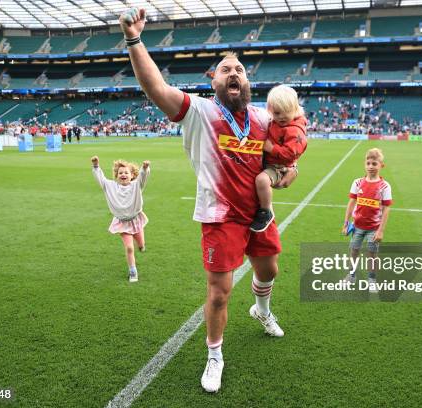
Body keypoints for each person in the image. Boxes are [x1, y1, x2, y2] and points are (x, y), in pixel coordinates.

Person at [119, 6, 297, 393]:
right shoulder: (198, 111)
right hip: (220, 217)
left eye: (240, 70)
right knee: (219, 292)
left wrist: (284, 174)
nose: (234, 73)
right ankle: (214, 354)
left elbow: (285, 163)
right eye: (225, 69)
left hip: (259, 216)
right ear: (212, 79)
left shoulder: (263, 120)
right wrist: (134, 39)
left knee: (269, 273)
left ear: (248, 81)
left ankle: (261, 310)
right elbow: (157, 90)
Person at [250, 85, 308, 232]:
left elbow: (291, 154)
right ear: (270, 110)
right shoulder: (273, 120)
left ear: (295, 108)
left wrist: (271, 148)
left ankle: (265, 211)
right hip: (268, 163)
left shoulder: (295, 130)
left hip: (278, 167)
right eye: (277, 113)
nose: (281, 117)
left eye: (286, 112)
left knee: (262, 180)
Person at [91, 155, 150, 283]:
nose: (123, 175)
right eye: (120, 173)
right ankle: (133, 271)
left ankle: (141, 246)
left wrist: (144, 168)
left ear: (132, 175)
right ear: (117, 175)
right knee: (129, 248)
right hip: (122, 223)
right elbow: (101, 179)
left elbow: (143, 178)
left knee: (141, 245)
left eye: (126, 173)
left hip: (136, 219)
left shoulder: (136, 185)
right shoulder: (110, 186)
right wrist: (96, 166)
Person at [341, 148, 392, 293]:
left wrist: (381, 230)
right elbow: (351, 203)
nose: (371, 166)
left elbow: (387, 209)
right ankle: (351, 275)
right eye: (368, 163)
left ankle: (372, 279)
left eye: (374, 163)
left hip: (374, 228)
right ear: (365, 164)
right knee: (354, 251)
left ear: (381, 165)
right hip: (357, 226)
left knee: (372, 254)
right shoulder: (357, 183)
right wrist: (346, 223)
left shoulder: (384, 186)